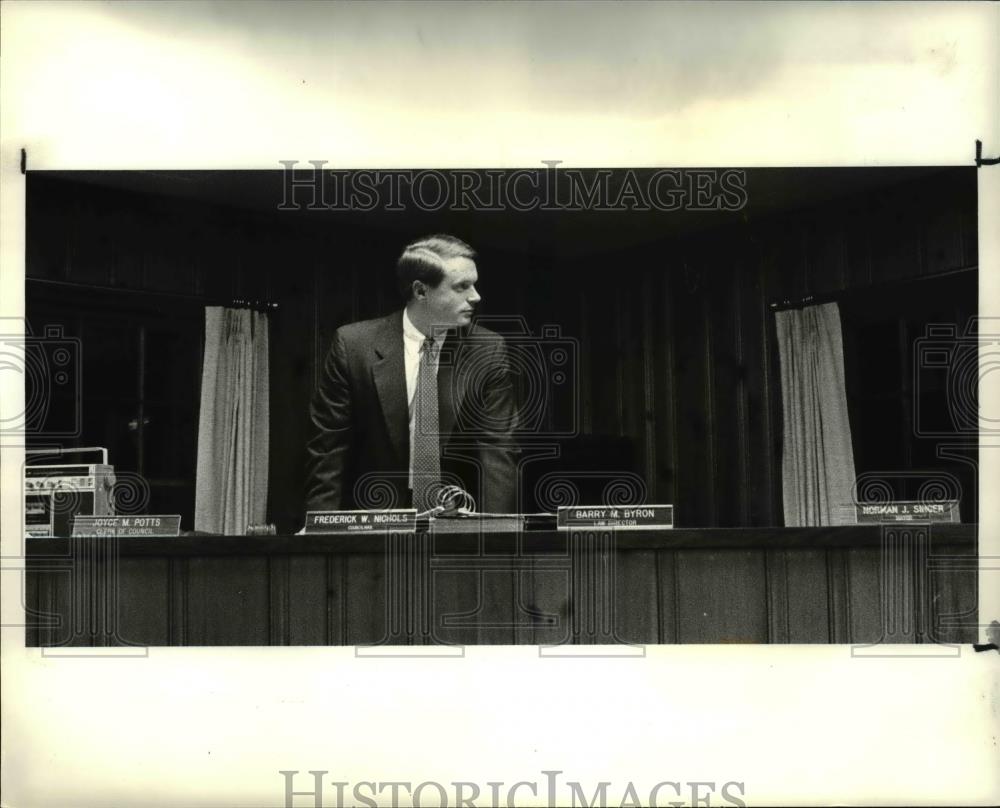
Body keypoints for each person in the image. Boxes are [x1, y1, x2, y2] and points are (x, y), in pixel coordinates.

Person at [305, 234, 518, 515]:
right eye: (462, 286)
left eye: (474, 284)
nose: (475, 296)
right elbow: (328, 449)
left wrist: (494, 531)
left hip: (458, 515)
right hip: (373, 518)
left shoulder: (487, 351)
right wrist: (322, 533)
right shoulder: (354, 346)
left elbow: (499, 450)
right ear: (420, 291)